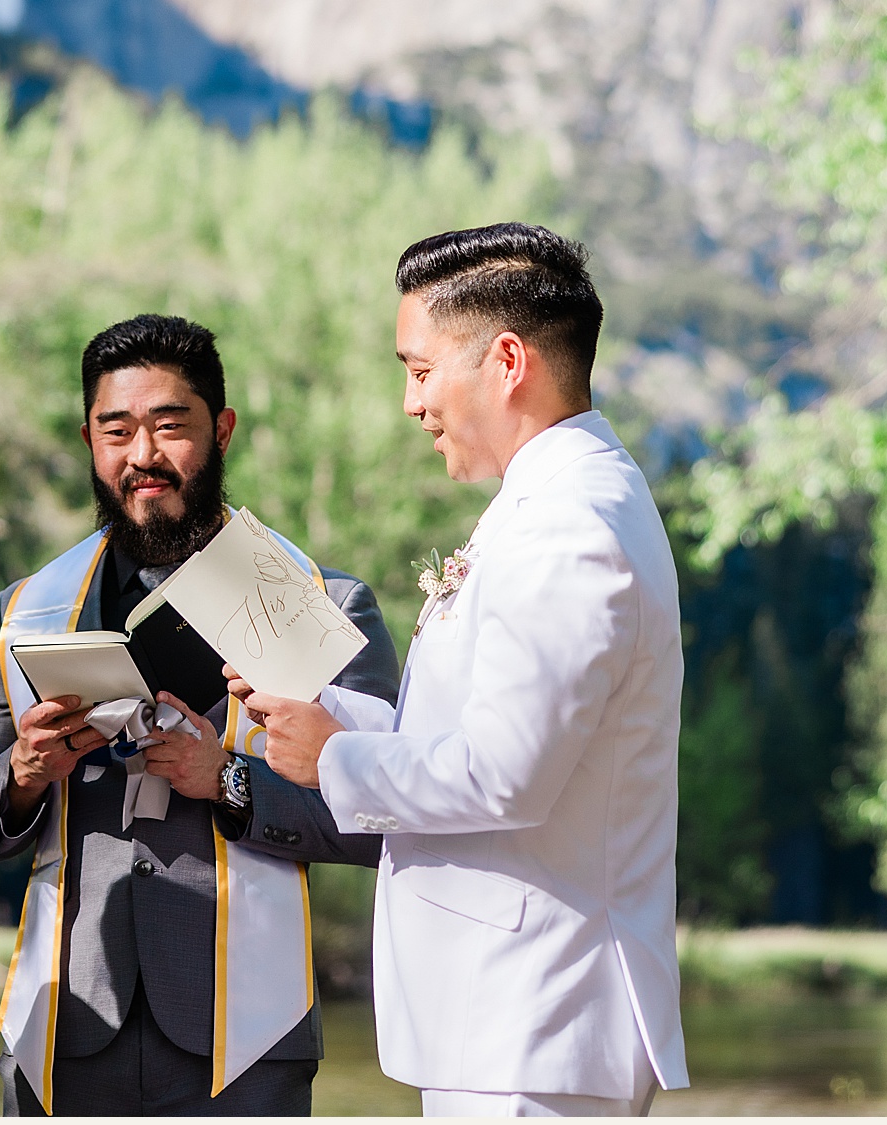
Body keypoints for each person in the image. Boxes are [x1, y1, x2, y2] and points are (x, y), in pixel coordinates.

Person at [237, 226, 688, 1117]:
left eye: (419, 367)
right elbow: (483, 735)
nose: (410, 401)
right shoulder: (546, 501)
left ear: (508, 360)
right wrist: (326, 717)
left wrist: (332, 756)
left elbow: (507, 774)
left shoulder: (569, 524)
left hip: (536, 1019)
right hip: (508, 1016)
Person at [0, 314, 403, 1116]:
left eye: (169, 426)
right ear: (88, 439)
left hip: (246, 1035)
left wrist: (225, 779)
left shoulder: (321, 604)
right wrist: (20, 775)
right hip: (66, 1027)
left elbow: (384, 816)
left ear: (221, 429)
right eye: (116, 430)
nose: (142, 456)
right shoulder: (26, 613)